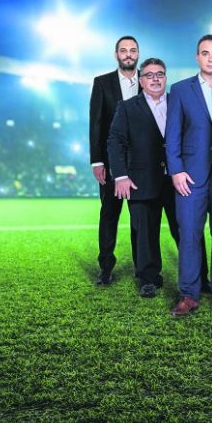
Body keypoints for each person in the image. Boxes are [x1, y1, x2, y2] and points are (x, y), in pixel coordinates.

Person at [166, 35, 212, 318]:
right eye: (205, 53)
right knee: (190, 233)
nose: (211, 58)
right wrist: (176, 170)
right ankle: (189, 295)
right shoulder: (181, 89)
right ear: (197, 57)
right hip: (190, 175)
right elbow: (172, 134)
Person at [107, 58, 180, 297]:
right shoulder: (127, 107)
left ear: (165, 77)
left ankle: (198, 277)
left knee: (186, 231)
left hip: (177, 180)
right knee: (145, 233)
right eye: (149, 75)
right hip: (140, 180)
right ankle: (148, 279)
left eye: (160, 74)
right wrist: (120, 176)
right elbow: (115, 141)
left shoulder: (179, 102)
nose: (155, 79)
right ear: (141, 80)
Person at [89, 36, 140, 285]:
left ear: (138, 54)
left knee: (140, 217)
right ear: (116, 54)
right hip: (111, 163)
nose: (128, 54)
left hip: (141, 163)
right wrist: (97, 161)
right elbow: (96, 123)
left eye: (133, 50)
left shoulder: (149, 79)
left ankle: (143, 268)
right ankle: (106, 266)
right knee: (109, 214)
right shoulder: (102, 83)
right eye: (123, 50)